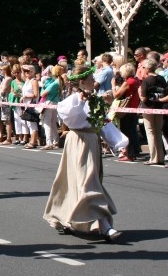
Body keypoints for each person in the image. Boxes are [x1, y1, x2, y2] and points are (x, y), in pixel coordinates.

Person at [43, 65, 121, 242]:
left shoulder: (95, 100)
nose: (95, 82)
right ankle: (105, 226)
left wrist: (117, 142)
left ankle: (86, 222)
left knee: (89, 181)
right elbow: (68, 115)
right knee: (82, 182)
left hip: (92, 141)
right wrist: (80, 99)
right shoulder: (72, 100)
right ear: (82, 82)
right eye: (92, 79)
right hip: (77, 141)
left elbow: (102, 123)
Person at [139, 58, 167, 166]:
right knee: (158, 131)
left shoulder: (147, 80)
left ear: (147, 68)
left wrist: (139, 92)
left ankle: (153, 157)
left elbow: (144, 98)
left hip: (148, 107)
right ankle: (160, 157)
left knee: (150, 131)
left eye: (143, 67)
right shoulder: (161, 78)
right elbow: (165, 91)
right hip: (159, 106)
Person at [111, 63, 141, 162]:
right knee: (132, 130)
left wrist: (113, 85)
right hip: (134, 107)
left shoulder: (128, 82)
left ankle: (130, 154)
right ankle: (134, 152)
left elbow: (116, 95)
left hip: (126, 109)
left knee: (127, 132)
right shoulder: (136, 80)